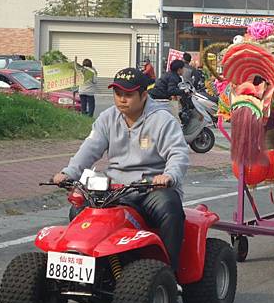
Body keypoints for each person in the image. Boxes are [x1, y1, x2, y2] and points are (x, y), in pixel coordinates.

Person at [53, 67, 189, 270]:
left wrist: (169, 176)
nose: (122, 99)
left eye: (128, 94)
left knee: (170, 209)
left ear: (144, 95)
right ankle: (94, 268)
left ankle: (168, 273)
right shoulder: (107, 118)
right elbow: (89, 149)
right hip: (115, 187)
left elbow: (178, 153)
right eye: (118, 94)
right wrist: (69, 173)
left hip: (150, 187)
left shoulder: (162, 119)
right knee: (80, 209)